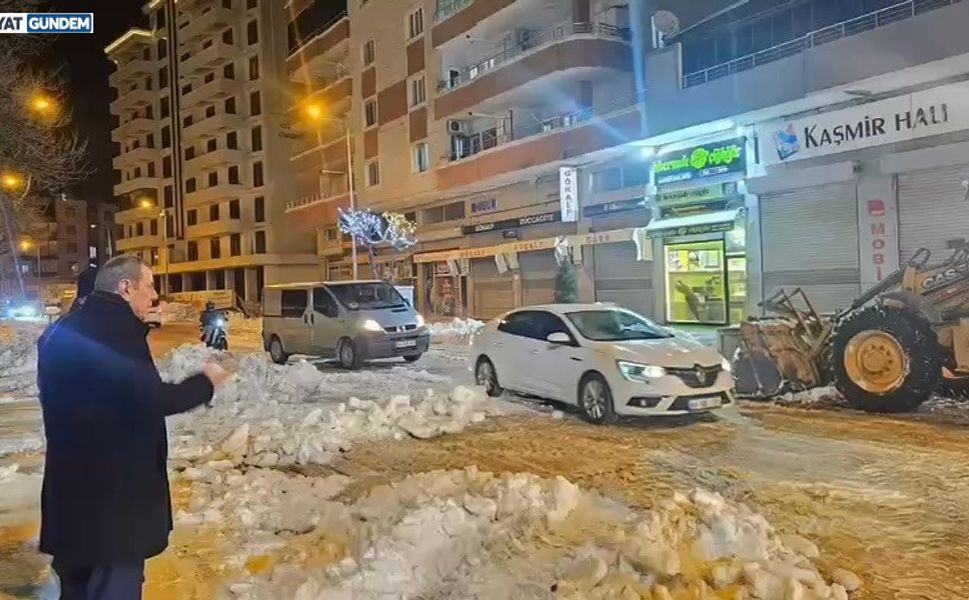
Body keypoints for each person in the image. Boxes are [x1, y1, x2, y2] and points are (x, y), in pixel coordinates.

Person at [37, 254, 230, 599]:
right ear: (126, 288)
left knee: (76, 587)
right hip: (114, 502)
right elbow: (148, 401)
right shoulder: (116, 331)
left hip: (70, 494)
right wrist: (205, 382)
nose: (154, 295)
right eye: (150, 285)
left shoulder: (61, 330)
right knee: (116, 585)